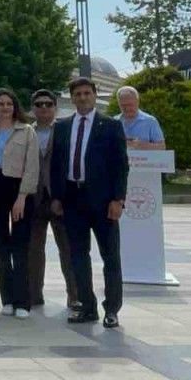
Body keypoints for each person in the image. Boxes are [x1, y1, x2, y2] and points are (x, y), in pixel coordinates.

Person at [49, 77, 130, 329]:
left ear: (94, 95)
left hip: (104, 201)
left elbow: (121, 165)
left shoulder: (111, 126)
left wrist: (118, 199)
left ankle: (112, 309)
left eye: (87, 93)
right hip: (73, 199)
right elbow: (56, 164)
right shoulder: (62, 127)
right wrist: (57, 197)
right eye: (78, 94)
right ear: (72, 97)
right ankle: (87, 306)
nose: (83, 98)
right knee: (77, 256)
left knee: (110, 256)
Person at [0, 88, 39, 319]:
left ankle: (23, 301)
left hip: (19, 189)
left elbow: (32, 166)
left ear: (15, 106)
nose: (5, 107)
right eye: (1, 104)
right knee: (1, 246)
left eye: (9, 103)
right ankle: (7, 299)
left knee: (20, 247)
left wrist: (22, 196)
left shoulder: (26, 131)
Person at [28, 89, 79, 310]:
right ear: (33, 109)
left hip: (61, 198)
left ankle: (74, 295)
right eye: (39, 104)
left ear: (55, 108)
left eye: (48, 104)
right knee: (33, 249)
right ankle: (33, 294)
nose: (44, 108)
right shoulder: (26, 132)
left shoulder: (66, 130)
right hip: (34, 197)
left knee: (68, 249)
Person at [115, 86, 166, 150]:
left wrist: (141, 145)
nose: (127, 108)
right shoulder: (114, 122)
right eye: (123, 105)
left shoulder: (150, 121)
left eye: (130, 105)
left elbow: (162, 147)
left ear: (137, 102)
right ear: (119, 104)